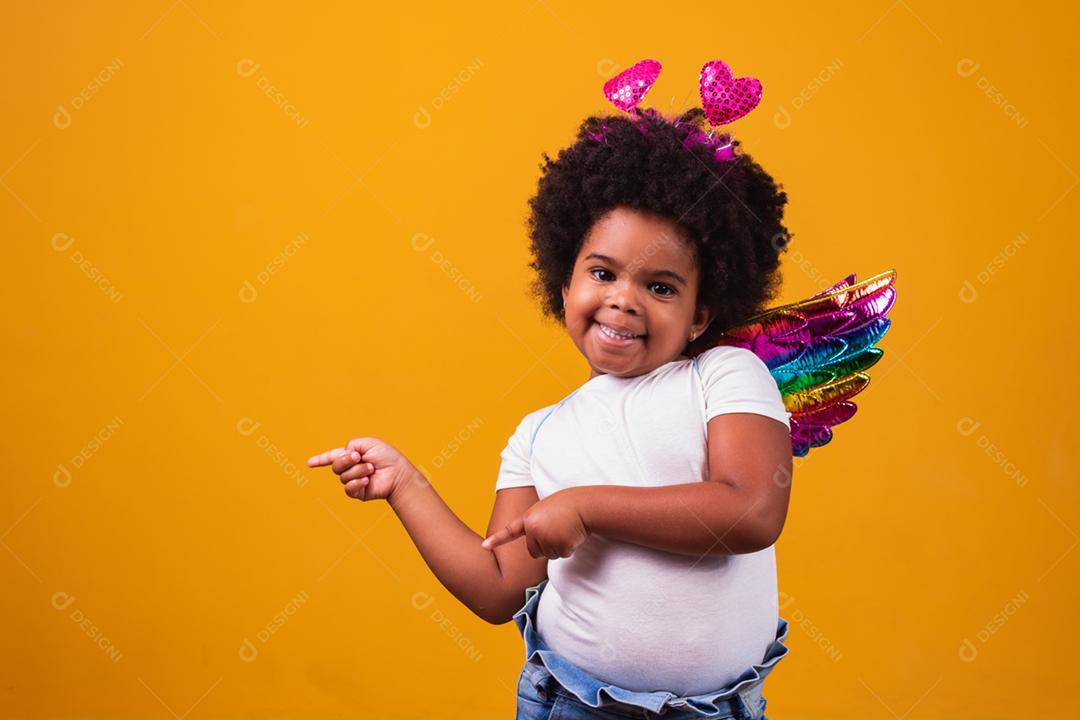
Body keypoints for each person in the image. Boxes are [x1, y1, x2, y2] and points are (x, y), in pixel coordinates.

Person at [309, 61, 797, 720]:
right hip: (571, 703)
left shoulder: (724, 378)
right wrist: (405, 485)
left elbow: (749, 514)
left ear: (701, 314)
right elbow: (497, 586)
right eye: (602, 273)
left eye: (660, 286)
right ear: (564, 285)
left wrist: (586, 507)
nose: (623, 299)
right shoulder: (541, 434)